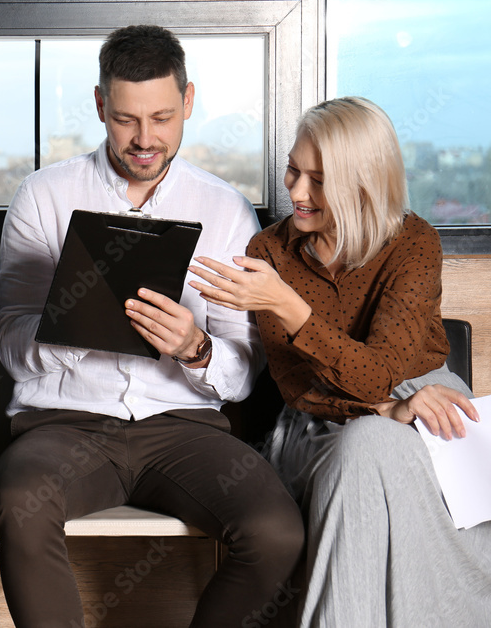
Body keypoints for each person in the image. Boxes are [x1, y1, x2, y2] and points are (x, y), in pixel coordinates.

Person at [0, 24, 304, 628]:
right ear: (101, 105)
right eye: (126, 119)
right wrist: (75, 326)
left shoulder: (224, 209)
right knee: (21, 504)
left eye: (162, 117)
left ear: (188, 103)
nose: (144, 139)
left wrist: (195, 346)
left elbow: (242, 372)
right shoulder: (42, 196)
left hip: (184, 429)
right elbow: (8, 345)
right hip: (64, 426)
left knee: (276, 532)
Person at [190, 96, 491, 625]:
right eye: (292, 170)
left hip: (429, 409)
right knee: (367, 444)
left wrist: (289, 306)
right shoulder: (269, 253)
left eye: (319, 180)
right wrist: (382, 414)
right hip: (316, 424)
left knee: (376, 449)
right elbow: (298, 389)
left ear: (363, 183)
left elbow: (383, 371)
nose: (297, 192)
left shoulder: (413, 242)